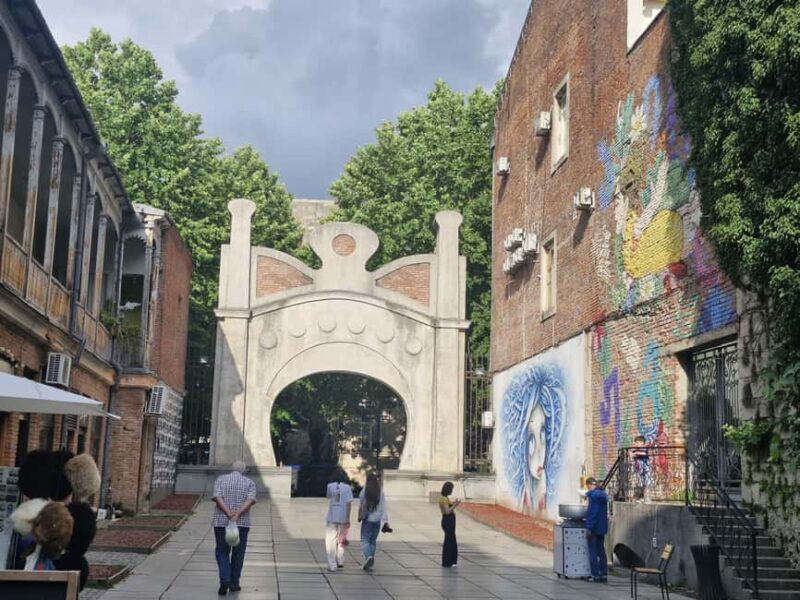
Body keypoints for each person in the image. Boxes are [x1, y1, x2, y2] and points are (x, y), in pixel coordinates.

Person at [212, 461, 257, 596]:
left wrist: (228, 512)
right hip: (242, 523)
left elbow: (217, 497)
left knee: (222, 551)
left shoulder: (220, 479)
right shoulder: (249, 483)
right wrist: (237, 514)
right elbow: (250, 500)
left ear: (232, 469)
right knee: (238, 553)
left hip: (221, 522)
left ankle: (225, 578)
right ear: (244, 470)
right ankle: (234, 583)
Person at [358, 473, 390, 571]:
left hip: (368, 519)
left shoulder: (364, 491)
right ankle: (370, 561)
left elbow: (361, 504)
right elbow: (384, 507)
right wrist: (385, 521)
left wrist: (359, 516)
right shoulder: (380, 492)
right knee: (372, 541)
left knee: (364, 540)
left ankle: (368, 557)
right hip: (377, 521)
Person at [325, 468, 353, 572]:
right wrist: (348, 518)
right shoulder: (347, 488)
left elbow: (328, 498)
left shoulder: (330, 486)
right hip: (343, 517)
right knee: (342, 539)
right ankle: (340, 560)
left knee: (330, 540)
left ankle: (332, 564)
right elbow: (349, 503)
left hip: (332, 516)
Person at [583, 477, 608, 583]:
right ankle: (603, 574)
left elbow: (593, 513)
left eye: (588, 486)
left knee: (592, 551)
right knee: (601, 551)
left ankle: (595, 575)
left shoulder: (593, 497)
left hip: (594, 528)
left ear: (589, 485)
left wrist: (588, 527)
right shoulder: (603, 496)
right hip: (602, 528)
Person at [438, 481, 461, 567]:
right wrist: (455, 505)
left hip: (449, 521)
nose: (451, 491)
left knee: (451, 541)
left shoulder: (445, 498)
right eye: (451, 489)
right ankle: (448, 561)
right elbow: (447, 511)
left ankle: (451, 561)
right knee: (449, 542)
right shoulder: (443, 499)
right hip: (448, 521)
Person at [631, 435, 651, 503]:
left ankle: (646, 499)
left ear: (643, 443)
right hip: (639, 469)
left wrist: (636, 453)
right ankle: (639, 498)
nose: (638, 444)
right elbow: (630, 453)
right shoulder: (635, 449)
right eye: (637, 442)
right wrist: (633, 449)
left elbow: (643, 453)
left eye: (639, 442)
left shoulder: (644, 448)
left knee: (646, 484)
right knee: (639, 484)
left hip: (646, 469)